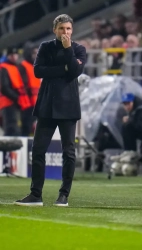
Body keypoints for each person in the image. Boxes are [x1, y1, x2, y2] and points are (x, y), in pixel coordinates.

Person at [14, 14, 87, 207]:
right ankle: (35, 194)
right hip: (47, 105)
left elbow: (74, 72)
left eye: (68, 29)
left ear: (72, 30)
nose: (65, 32)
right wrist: (63, 68)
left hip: (68, 106)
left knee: (68, 152)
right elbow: (38, 71)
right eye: (62, 29)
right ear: (54, 30)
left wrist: (67, 51)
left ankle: (64, 195)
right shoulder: (45, 47)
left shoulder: (78, 49)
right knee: (38, 150)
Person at [0, 47, 32, 136]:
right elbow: (4, 88)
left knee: (18, 128)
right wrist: (17, 98)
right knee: (11, 127)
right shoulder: (4, 68)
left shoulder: (16, 67)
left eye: (15, 55)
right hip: (8, 103)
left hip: (17, 103)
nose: (14, 57)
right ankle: (8, 149)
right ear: (7, 56)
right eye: (11, 55)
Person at [19, 44, 40, 136]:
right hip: (27, 103)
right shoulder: (23, 66)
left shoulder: (35, 67)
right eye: (34, 53)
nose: (36, 55)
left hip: (36, 103)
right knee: (26, 128)